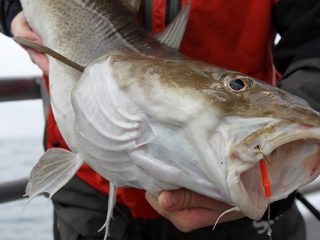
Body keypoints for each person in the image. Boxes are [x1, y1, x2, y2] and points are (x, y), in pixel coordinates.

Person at [1, 0, 320, 239]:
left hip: (231, 207)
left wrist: (274, 187)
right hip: (90, 192)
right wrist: (14, 10)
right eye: (234, 86)